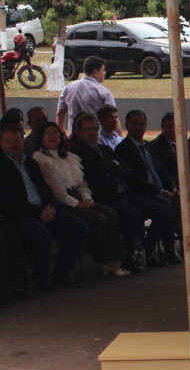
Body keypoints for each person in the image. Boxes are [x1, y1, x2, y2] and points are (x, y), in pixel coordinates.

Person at [33, 121, 129, 277]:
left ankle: (116, 259)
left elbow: (81, 182)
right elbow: (55, 190)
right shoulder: (40, 159)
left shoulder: (70, 157)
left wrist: (87, 197)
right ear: (41, 138)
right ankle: (103, 259)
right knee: (97, 218)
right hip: (62, 201)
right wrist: (76, 204)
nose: (53, 136)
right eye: (48, 133)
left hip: (78, 196)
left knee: (111, 213)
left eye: (55, 132)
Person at [0, 123, 88, 291]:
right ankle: (42, 279)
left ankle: (60, 273)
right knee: (41, 234)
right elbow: (6, 201)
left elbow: (47, 190)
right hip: (19, 215)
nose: (13, 145)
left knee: (78, 227)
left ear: (23, 142)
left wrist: (51, 208)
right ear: (1, 143)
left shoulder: (31, 163)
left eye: (16, 141)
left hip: (43, 210)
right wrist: (38, 212)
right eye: (8, 141)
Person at [69, 113, 145, 273]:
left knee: (146, 207)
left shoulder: (104, 148)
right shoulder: (77, 152)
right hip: (101, 196)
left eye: (95, 128)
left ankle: (143, 253)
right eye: (88, 129)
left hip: (121, 192)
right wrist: (111, 166)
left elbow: (125, 169)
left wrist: (109, 167)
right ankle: (126, 258)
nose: (92, 132)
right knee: (131, 214)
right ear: (78, 131)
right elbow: (93, 172)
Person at [115, 110, 179, 266]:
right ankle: (149, 250)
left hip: (156, 191)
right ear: (126, 125)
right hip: (136, 195)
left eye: (141, 124)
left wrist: (172, 187)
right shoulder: (122, 149)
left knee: (175, 200)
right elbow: (132, 179)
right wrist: (159, 191)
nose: (138, 127)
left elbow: (161, 171)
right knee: (164, 207)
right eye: (134, 124)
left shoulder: (150, 147)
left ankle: (167, 248)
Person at [55, 56, 116, 134]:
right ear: (95, 72)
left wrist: (62, 135)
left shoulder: (68, 88)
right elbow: (113, 119)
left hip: (74, 139)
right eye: (103, 70)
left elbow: (60, 114)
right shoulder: (103, 92)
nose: (105, 72)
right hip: (97, 139)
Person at [150, 112, 179, 185]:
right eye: (168, 126)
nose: (172, 129)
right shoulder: (155, 146)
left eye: (174, 125)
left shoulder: (183, 143)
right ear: (162, 127)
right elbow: (162, 173)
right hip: (170, 188)